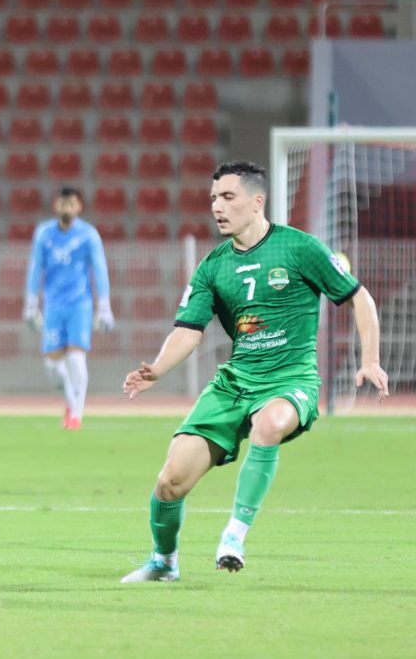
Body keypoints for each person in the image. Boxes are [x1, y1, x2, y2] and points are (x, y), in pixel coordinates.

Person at [120, 161, 389, 583]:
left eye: (228, 197)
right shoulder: (212, 267)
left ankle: (234, 536)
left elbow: (360, 298)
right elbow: (188, 331)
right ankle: (163, 561)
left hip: (290, 379)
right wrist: (157, 369)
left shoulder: (299, 248)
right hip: (234, 383)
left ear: (256, 201)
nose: (217, 206)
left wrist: (369, 359)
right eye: (214, 198)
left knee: (270, 424)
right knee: (170, 481)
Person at [23, 187, 114, 430]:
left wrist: (104, 307)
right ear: (57, 205)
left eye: (72, 204)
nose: (67, 208)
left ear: (79, 207)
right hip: (53, 306)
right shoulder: (44, 234)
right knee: (52, 365)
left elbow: (100, 270)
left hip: (80, 305)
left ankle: (76, 413)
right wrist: (31, 304)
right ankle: (71, 403)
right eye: (63, 203)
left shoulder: (88, 235)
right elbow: (35, 268)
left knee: (76, 357)